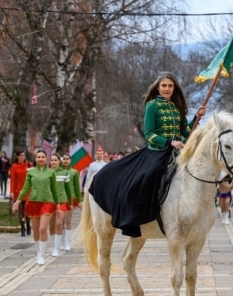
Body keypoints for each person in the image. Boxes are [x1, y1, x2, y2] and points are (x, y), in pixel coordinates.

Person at [88, 72, 206, 238]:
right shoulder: (152, 106)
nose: (167, 89)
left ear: (174, 88)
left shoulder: (176, 106)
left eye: (170, 86)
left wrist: (196, 118)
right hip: (157, 151)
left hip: (179, 150)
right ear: (158, 88)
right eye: (164, 86)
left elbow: (185, 133)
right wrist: (169, 142)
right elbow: (149, 133)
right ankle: (135, 217)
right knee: (148, 175)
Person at [12, 150, 58, 265]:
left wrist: (57, 204)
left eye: (43, 157)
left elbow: (54, 189)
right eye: (39, 157)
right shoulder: (31, 172)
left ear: (46, 158)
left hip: (47, 203)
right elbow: (26, 187)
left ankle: (42, 255)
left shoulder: (51, 173)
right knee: (36, 230)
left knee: (43, 229)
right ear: (36, 159)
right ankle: (38, 251)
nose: (41, 159)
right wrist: (18, 201)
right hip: (33, 203)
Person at [48, 153, 72, 257]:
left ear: (59, 161)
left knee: (59, 224)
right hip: (49, 202)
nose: (53, 162)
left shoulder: (64, 173)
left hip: (61, 202)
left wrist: (70, 202)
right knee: (52, 226)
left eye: (55, 160)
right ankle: (54, 245)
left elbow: (68, 189)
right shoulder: (46, 173)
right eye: (52, 160)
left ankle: (57, 248)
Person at [60, 153, 82, 251]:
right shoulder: (57, 172)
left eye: (67, 159)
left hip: (70, 199)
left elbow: (77, 188)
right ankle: (60, 242)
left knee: (68, 221)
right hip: (60, 199)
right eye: (64, 159)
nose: (65, 160)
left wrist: (79, 200)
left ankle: (68, 242)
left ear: (70, 160)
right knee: (60, 222)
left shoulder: (74, 172)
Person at [10, 150, 33, 237]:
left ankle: (28, 225)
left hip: (27, 191)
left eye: (23, 155)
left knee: (26, 209)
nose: (22, 157)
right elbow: (12, 179)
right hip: (18, 191)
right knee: (20, 210)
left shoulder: (29, 165)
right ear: (17, 157)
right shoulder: (14, 166)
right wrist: (12, 192)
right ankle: (22, 228)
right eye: (20, 155)